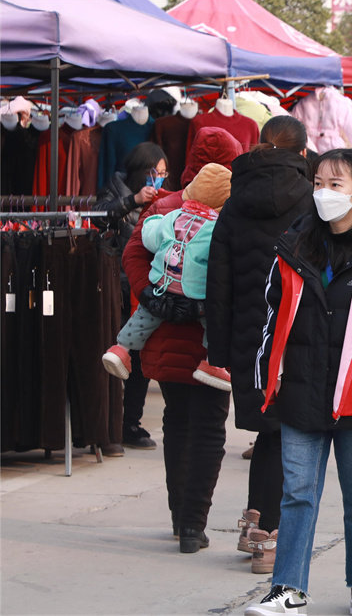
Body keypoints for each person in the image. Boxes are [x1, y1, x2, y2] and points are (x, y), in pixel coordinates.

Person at [245, 148, 352, 616]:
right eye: (318, 182)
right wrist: (266, 376)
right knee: (297, 494)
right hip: (301, 390)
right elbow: (271, 316)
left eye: (335, 185)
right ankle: (288, 589)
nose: (323, 193)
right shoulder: (295, 245)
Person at [122, 126, 243, 554]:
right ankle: (193, 525)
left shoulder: (165, 205)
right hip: (214, 342)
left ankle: (179, 519)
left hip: (164, 332)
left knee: (176, 419)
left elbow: (133, 254)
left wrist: (152, 295)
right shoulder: (235, 212)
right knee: (209, 426)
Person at [205, 116, 314, 574]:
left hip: (250, 336)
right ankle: (269, 537)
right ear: (303, 154)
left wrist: (221, 350)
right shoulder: (312, 200)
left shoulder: (234, 201)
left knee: (268, 431)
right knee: (286, 434)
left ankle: (255, 520)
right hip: (297, 333)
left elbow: (219, 280)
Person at [102, 195, 232, 392]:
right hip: (196, 295)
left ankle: (120, 349)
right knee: (214, 324)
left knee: (145, 315)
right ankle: (212, 363)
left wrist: (147, 295)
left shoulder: (168, 211)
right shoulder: (219, 225)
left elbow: (141, 245)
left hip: (162, 288)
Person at [93, 142, 167, 453]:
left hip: (143, 290)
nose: (160, 180)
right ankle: (107, 425)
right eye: (156, 173)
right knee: (114, 358)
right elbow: (99, 217)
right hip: (115, 288)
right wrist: (133, 200)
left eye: (164, 174)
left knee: (139, 362)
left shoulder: (162, 199)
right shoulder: (116, 188)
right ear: (142, 171)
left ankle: (130, 424)